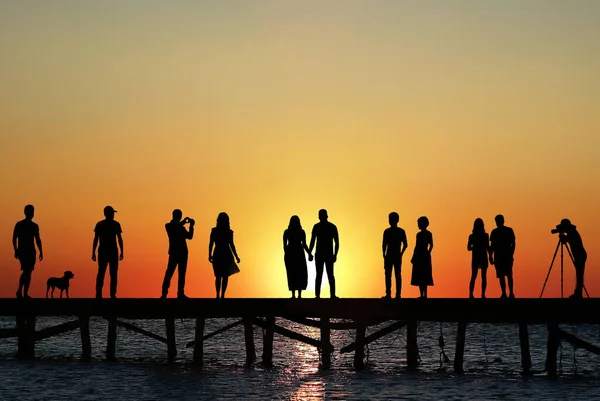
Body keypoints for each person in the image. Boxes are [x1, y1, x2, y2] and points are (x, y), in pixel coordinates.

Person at [161, 209, 194, 299]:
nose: (179, 217)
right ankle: (164, 293)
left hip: (183, 253)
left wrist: (191, 226)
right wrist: (183, 222)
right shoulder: (169, 226)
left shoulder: (180, 227)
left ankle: (180, 293)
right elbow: (174, 228)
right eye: (179, 215)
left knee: (182, 274)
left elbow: (190, 236)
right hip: (174, 252)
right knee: (169, 273)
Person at [92, 206, 124, 299]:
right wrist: (93, 252)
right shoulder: (103, 224)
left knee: (110, 273)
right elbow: (96, 239)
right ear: (107, 214)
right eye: (112, 213)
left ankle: (110, 294)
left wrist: (122, 251)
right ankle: (101, 293)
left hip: (110, 251)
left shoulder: (113, 224)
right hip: (107, 251)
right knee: (103, 272)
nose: (113, 215)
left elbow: (119, 239)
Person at [13, 205, 43, 298]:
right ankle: (19, 290)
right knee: (26, 270)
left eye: (32, 211)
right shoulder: (19, 224)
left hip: (31, 251)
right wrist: (16, 250)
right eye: (29, 211)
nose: (31, 213)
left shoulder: (34, 226)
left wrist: (41, 251)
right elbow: (14, 238)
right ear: (25, 212)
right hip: (23, 250)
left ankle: (25, 293)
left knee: (29, 271)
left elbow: (37, 239)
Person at [308, 209, 339, 299]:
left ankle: (328, 295)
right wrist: (309, 252)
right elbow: (313, 241)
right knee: (322, 275)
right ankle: (320, 295)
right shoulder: (325, 227)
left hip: (326, 254)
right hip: (322, 254)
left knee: (326, 275)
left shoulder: (328, 227)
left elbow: (337, 242)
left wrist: (335, 254)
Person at [209, 212, 240, 298]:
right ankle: (220, 294)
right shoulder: (219, 231)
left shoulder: (223, 231)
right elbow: (211, 243)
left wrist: (236, 256)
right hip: (222, 253)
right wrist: (209, 254)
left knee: (221, 276)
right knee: (221, 276)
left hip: (221, 253)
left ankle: (220, 295)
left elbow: (231, 244)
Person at [556, 219, 587, 299]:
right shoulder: (572, 232)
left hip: (580, 255)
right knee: (579, 274)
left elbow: (564, 241)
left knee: (579, 274)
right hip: (579, 255)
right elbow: (565, 240)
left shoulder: (572, 233)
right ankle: (578, 292)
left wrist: (562, 237)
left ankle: (578, 293)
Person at [283, 216, 311, 299]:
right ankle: (295, 294)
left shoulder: (299, 232)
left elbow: (304, 244)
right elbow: (284, 245)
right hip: (294, 254)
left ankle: (297, 294)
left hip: (297, 254)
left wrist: (309, 253)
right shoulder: (288, 232)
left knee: (298, 274)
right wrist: (309, 253)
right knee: (293, 274)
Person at [489, 214, 516, 299]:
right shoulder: (495, 232)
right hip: (501, 256)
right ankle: (506, 293)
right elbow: (492, 246)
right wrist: (490, 256)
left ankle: (509, 293)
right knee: (504, 275)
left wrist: (511, 253)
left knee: (506, 275)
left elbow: (513, 243)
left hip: (505, 256)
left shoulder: (507, 230)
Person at [382, 212, 408, 299]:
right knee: (395, 275)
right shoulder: (400, 231)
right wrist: (401, 253)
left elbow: (384, 245)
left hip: (391, 255)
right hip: (394, 255)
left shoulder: (388, 231)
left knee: (391, 275)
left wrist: (384, 255)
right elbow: (405, 245)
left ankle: (392, 294)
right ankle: (395, 294)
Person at [410, 216, 433, 298]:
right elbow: (431, 245)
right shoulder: (429, 234)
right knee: (422, 275)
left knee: (422, 275)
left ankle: (423, 295)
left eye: (419, 224)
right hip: (425, 254)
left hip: (420, 255)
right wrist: (428, 253)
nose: (418, 225)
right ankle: (424, 295)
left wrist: (414, 256)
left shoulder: (419, 235)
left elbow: (417, 246)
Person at [467, 218, 490, 299]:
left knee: (475, 276)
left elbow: (469, 248)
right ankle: (481, 294)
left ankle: (472, 294)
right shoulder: (485, 235)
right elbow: (487, 247)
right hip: (481, 256)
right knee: (481, 276)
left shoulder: (472, 236)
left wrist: (475, 247)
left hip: (478, 256)